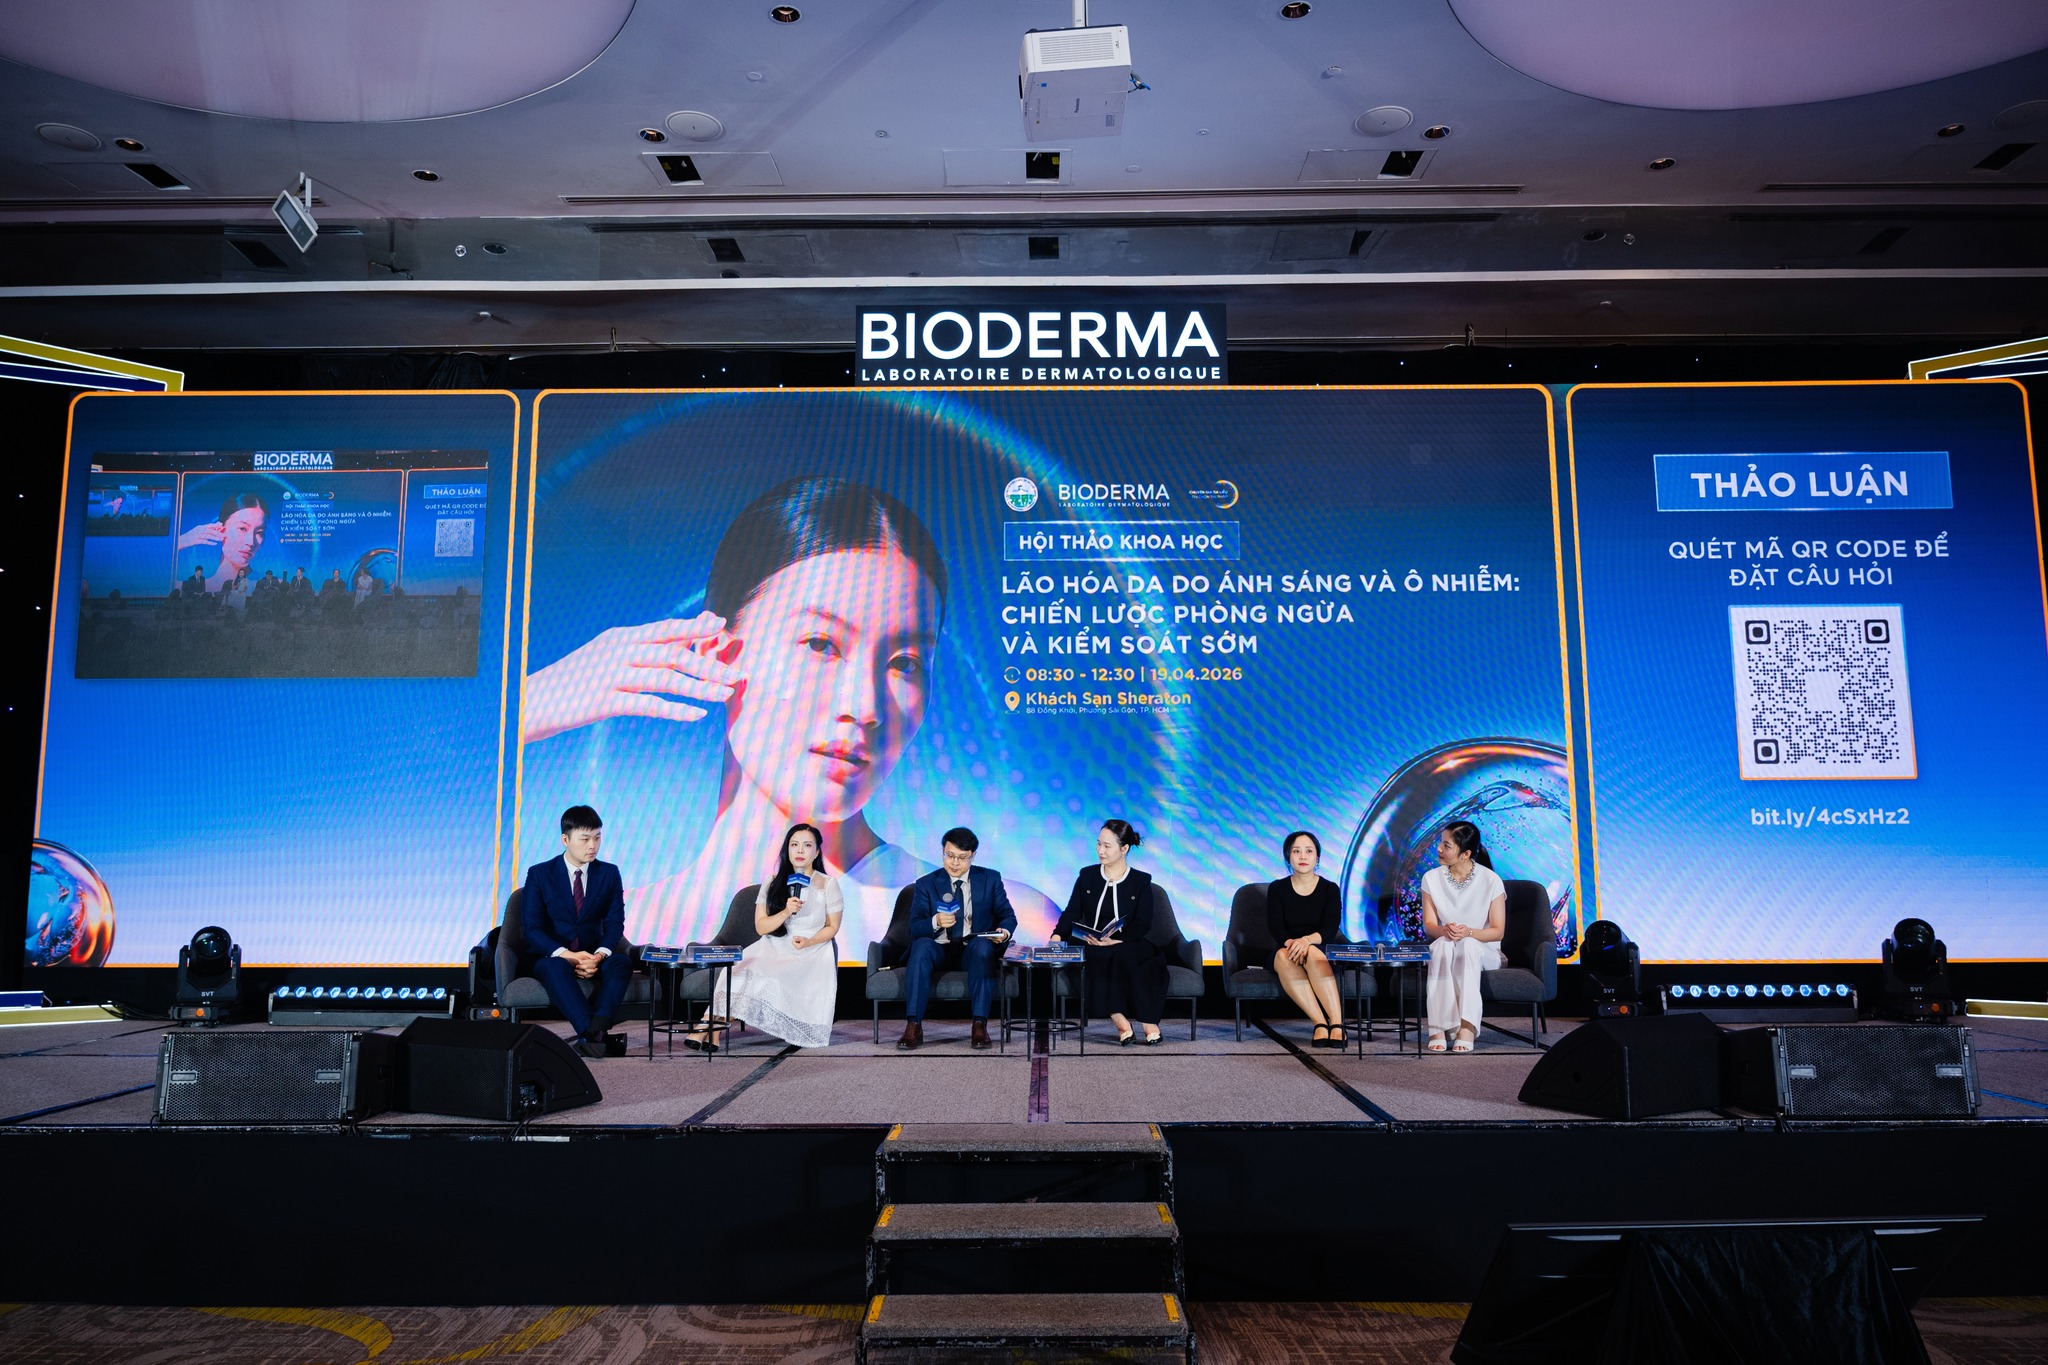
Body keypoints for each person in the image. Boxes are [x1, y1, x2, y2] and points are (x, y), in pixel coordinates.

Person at [521, 474, 1057, 952]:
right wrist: (526, 707)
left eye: (905, 663)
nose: (864, 707)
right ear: (717, 652)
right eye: (821, 644)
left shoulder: (1012, 920)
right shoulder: (622, 925)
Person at [693, 822, 843, 1051]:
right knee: (736, 972)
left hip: (809, 950)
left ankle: (705, 1030)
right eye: (794, 844)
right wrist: (786, 911)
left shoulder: (828, 884)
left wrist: (810, 941)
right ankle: (711, 1032)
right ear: (787, 849)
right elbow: (762, 927)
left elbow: (832, 927)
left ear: (816, 852)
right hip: (774, 944)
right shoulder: (772, 882)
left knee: (767, 977)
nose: (800, 850)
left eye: (807, 845)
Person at [521, 804, 632, 1059]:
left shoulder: (609, 873)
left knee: (621, 963)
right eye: (585, 839)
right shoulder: (540, 874)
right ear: (565, 840)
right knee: (555, 967)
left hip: (592, 954)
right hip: (553, 957)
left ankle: (592, 1035)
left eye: (597, 838)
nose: (593, 846)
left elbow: (615, 923)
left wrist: (599, 956)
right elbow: (532, 929)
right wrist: (568, 955)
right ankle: (596, 1036)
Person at [897, 827, 1017, 1051]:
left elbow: (1008, 916)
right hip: (938, 948)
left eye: (962, 858)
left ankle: (979, 1025)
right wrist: (935, 921)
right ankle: (913, 1025)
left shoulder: (990, 878)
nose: (954, 863)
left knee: (982, 947)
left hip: (971, 948)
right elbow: (915, 928)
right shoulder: (926, 883)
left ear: (973, 856)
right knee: (921, 947)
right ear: (943, 852)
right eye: (949, 855)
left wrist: (1004, 932)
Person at [1052, 819, 1165, 1045]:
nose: (1100, 851)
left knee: (1133, 956)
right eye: (1098, 844)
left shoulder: (1141, 881)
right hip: (1091, 941)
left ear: (1124, 849)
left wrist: (1117, 940)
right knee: (1091, 957)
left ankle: (1148, 1020)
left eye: (1107, 846)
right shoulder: (1087, 876)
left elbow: (1143, 922)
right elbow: (1072, 911)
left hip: (1126, 941)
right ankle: (1120, 1020)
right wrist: (1057, 935)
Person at [1420, 819, 1507, 1054]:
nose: (1439, 848)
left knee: (1467, 945)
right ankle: (1438, 1027)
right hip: (1448, 945)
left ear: (1466, 854)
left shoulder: (1491, 880)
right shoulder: (1430, 878)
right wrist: (1444, 930)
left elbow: (1498, 931)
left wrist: (1468, 932)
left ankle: (1467, 1027)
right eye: (1441, 842)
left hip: (1485, 950)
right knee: (1440, 946)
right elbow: (1429, 926)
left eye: (1446, 845)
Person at [1267, 830, 1346, 1048]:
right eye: (1296, 851)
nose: (1303, 856)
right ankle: (1320, 1023)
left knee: (1311, 951)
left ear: (1317, 857)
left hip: (1320, 946)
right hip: (1287, 947)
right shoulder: (1277, 888)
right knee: (1282, 956)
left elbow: (1331, 927)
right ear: (1288, 857)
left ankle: (1337, 1023)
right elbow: (1275, 927)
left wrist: (1306, 941)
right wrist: (1293, 944)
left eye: (1309, 851)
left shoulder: (1330, 889)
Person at [177, 492, 266, 594]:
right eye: (242, 528)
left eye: (259, 532)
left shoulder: (267, 584)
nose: (251, 542)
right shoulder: (194, 586)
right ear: (220, 529)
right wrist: (180, 541)